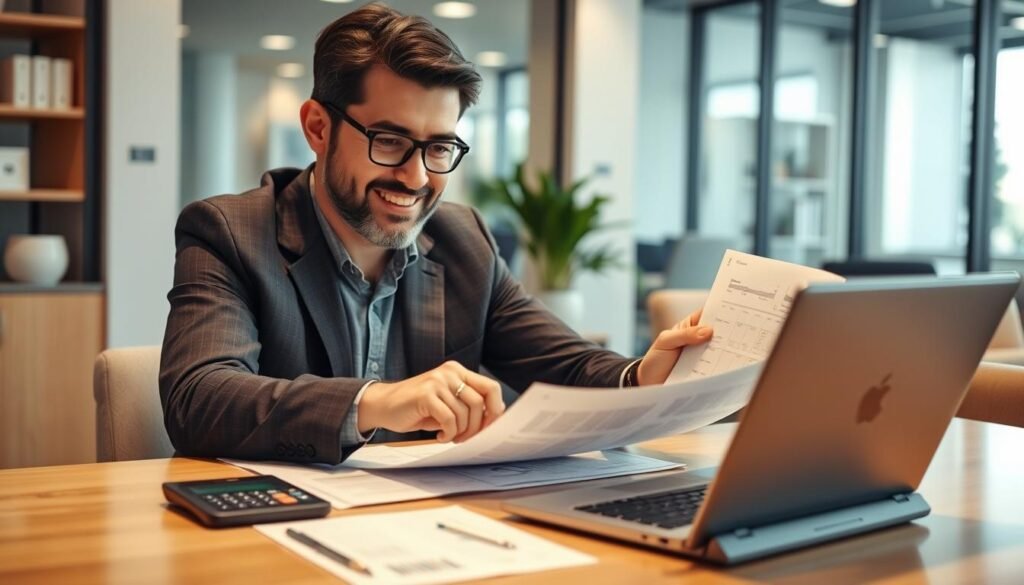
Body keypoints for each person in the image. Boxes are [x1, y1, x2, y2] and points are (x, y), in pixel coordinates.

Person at [159, 2, 712, 465]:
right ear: (318, 128)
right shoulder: (231, 232)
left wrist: (642, 375)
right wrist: (374, 402)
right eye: (391, 141)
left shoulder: (462, 238)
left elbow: (567, 364)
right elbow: (199, 399)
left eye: (440, 147)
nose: (417, 177)